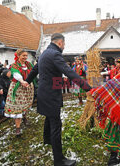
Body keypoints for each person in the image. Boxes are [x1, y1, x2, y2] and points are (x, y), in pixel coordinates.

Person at [35, 33, 91, 166]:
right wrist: (88, 88)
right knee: (56, 125)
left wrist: (26, 81)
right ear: (60, 43)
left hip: (43, 93)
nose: (64, 47)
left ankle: (48, 140)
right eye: (64, 44)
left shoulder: (44, 54)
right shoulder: (55, 54)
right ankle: (59, 160)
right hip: (50, 95)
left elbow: (34, 69)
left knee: (49, 118)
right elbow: (69, 72)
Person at [4, 49, 35, 136]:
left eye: (26, 55)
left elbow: (34, 71)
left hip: (27, 87)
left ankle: (24, 117)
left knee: (25, 104)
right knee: (17, 107)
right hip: (18, 88)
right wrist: (22, 81)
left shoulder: (28, 64)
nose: (25, 57)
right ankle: (18, 127)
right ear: (18, 55)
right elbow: (16, 74)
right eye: (23, 55)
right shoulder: (14, 65)